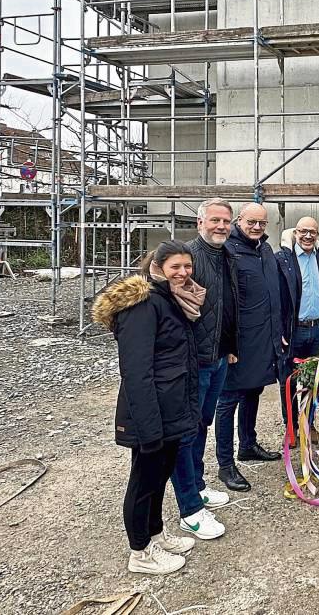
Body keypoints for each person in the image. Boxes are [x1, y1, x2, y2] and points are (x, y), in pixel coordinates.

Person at [91, 240, 204, 575]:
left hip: (171, 407)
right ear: (157, 267)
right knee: (143, 482)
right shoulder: (142, 304)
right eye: (176, 267)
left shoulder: (170, 299)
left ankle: (155, 533)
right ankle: (140, 552)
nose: (183, 273)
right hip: (150, 411)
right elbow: (137, 371)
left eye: (187, 267)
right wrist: (148, 425)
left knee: (160, 476)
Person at [165, 199, 237, 542]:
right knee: (185, 434)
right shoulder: (187, 259)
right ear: (200, 222)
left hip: (218, 357)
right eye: (215, 220)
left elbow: (226, 305)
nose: (221, 226)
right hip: (192, 363)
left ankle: (197, 484)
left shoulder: (225, 256)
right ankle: (190, 510)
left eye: (226, 221)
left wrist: (230, 347)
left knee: (201, 426)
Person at [216, 203, 296, 492]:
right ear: (240, 220)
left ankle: (247, 444)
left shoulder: (264, 249)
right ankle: (225, 464)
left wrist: (280, 333)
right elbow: (222, 301)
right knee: (228, 400)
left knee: (255, 390)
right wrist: (227, 342)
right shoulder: (228, 251)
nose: (257, 227)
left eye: (262, 223)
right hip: (239, 343)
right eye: (252, 222)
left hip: (264, 339)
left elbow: (274, 295)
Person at [277, 217, 319, 434]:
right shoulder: (283, 259)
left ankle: (308, 424)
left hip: (318, 329)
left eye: (313, 232)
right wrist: (279, 330)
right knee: (289, 381)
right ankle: (291, 427)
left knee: (314, 381)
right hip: (294, 331)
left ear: (318, 235)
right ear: (295, 233)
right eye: (303, 231)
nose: (308, 236)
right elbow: (276, 299)